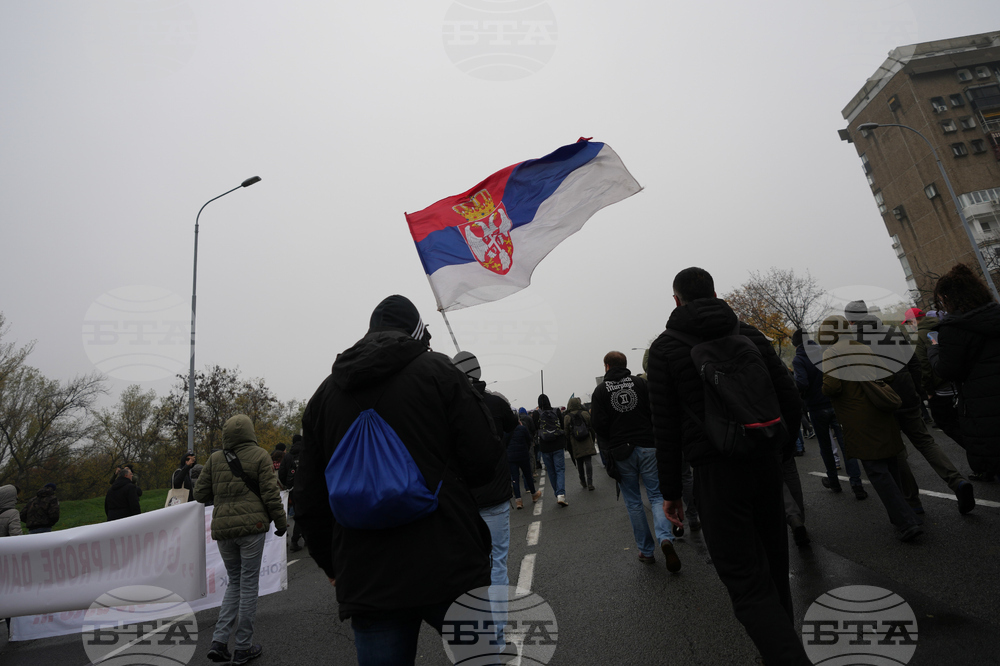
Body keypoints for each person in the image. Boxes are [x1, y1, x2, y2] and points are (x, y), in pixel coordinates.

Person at [293, 295, 502, 666]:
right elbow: (484, 460)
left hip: (367, 576)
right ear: (417, 332)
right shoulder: (439, 371)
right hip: (449, 558)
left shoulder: (323, 398)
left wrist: (333, 567)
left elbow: (308, 499)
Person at [647, 267, 809, 665]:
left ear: (676, 300)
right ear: (714, 292)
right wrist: (781, 452)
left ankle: (785, 655)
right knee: (773, 566)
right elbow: (789, 397)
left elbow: (665, 430)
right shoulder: (748, 332)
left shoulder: (665, 349)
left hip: (715, 473)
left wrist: (671, 493)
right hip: (764, 463)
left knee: (745, 582)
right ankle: (778, 647)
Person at [845, 300, 974, 515]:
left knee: (896, 452)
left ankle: (913, 502)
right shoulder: (893, 331)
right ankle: (956, 481)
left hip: (882, 402)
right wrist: (917, 390)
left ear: (850, 319)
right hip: (907, 395)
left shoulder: (853, 341)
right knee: (926, 441)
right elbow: (913, 363)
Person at [820, 315, 923, 543]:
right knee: (890, 465)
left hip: (857, 415)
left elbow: (832, 386)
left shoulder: (831, 352)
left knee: (876, 470)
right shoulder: (862, 347)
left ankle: (906, 523)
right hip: (881, 410)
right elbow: (888, 374)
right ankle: (906, 516)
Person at [194, 414, 287, 665]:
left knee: (234, 583)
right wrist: (281, 522)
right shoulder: (260, 455)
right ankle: (243, 646)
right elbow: (270, 494)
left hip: (224, 530)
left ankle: (219, 641)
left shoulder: (214, 459)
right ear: (250, 432)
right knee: (248, 585)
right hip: (251, 528)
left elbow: (200, 493)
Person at [592, 351, 679, 571]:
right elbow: (655, 411)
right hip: (648, 445)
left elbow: (599, 426)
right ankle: (665, 538)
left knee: (633, 502)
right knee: (657, 494)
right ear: (625, 364)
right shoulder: (641, 384)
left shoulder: (601, 391)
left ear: (607, 366)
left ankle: (646, 551)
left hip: (621, 451)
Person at [929, 263, 1000, 481]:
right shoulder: (996, 313)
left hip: (984, 403)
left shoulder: (953, 329)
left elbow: (947, 370)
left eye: (942, 301)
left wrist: (934, 348)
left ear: (950, 298)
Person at [792, 329, 867, 500]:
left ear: (795, 344)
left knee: (825, 447)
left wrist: (802, 394)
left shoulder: (799, 359)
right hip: (834, 402)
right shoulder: (824, 353)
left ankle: (834, 481)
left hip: (816, 407)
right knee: (845, 444)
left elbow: (802, 383)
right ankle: (857, 485)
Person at [536, 394, 569, 506]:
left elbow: (535, 429)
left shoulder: (537, 414)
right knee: (559, 470)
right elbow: (562, 426)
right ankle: (561, 494)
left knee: (551, 471)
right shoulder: (556, 411)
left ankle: (557, 493)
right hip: (557, 444)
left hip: (545, 447)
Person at [564, 397, 598, 490]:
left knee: (579, 462)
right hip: (586, 440)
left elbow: (566, 432)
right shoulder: (585, 413)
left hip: (575, 442)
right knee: (588, 461)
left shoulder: (567, 417)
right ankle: (590, 482)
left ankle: (583, 481)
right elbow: (591, 426)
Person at [278, 434, 304, 551]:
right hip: (305, 488)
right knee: (303, 513)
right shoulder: (306, 453)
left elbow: (282, 473)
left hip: (292, 489)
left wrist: (287, 485)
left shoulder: (287, 456)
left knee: (300, 511)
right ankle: (295, 540)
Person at [507, 423, 541, 509]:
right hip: (523, 455)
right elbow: (528, 440)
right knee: (527, 475)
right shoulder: (522, 428)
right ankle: (534, 494)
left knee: (514, 478)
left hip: (511, 457)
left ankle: (518, 501)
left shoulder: (505, 430)